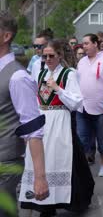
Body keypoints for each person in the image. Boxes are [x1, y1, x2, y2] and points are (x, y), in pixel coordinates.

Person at [20, 39, 94, 216]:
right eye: (45, 56)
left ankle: (73, 200)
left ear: (60, 55)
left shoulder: (69, 74)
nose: (47, 59)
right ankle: (44, 203)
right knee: (41, 160)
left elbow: (77, 103)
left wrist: (58, 90)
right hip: (42, 120)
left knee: (62, 159)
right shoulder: (39, 73)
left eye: (51, 55)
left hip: (61, 120)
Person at [0, 11, 49, 217]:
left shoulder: (18, 76)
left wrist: (40, 177)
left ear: (6, 36)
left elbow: (33, 129)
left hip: (6, 165)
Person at [76, 33, 103, 177]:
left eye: (86, 43)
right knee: (81, 138)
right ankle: (82, 166)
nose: (84, 46)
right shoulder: (81, 62)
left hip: (100, 108)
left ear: (95, 44)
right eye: (83, 44)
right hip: (82, 107)